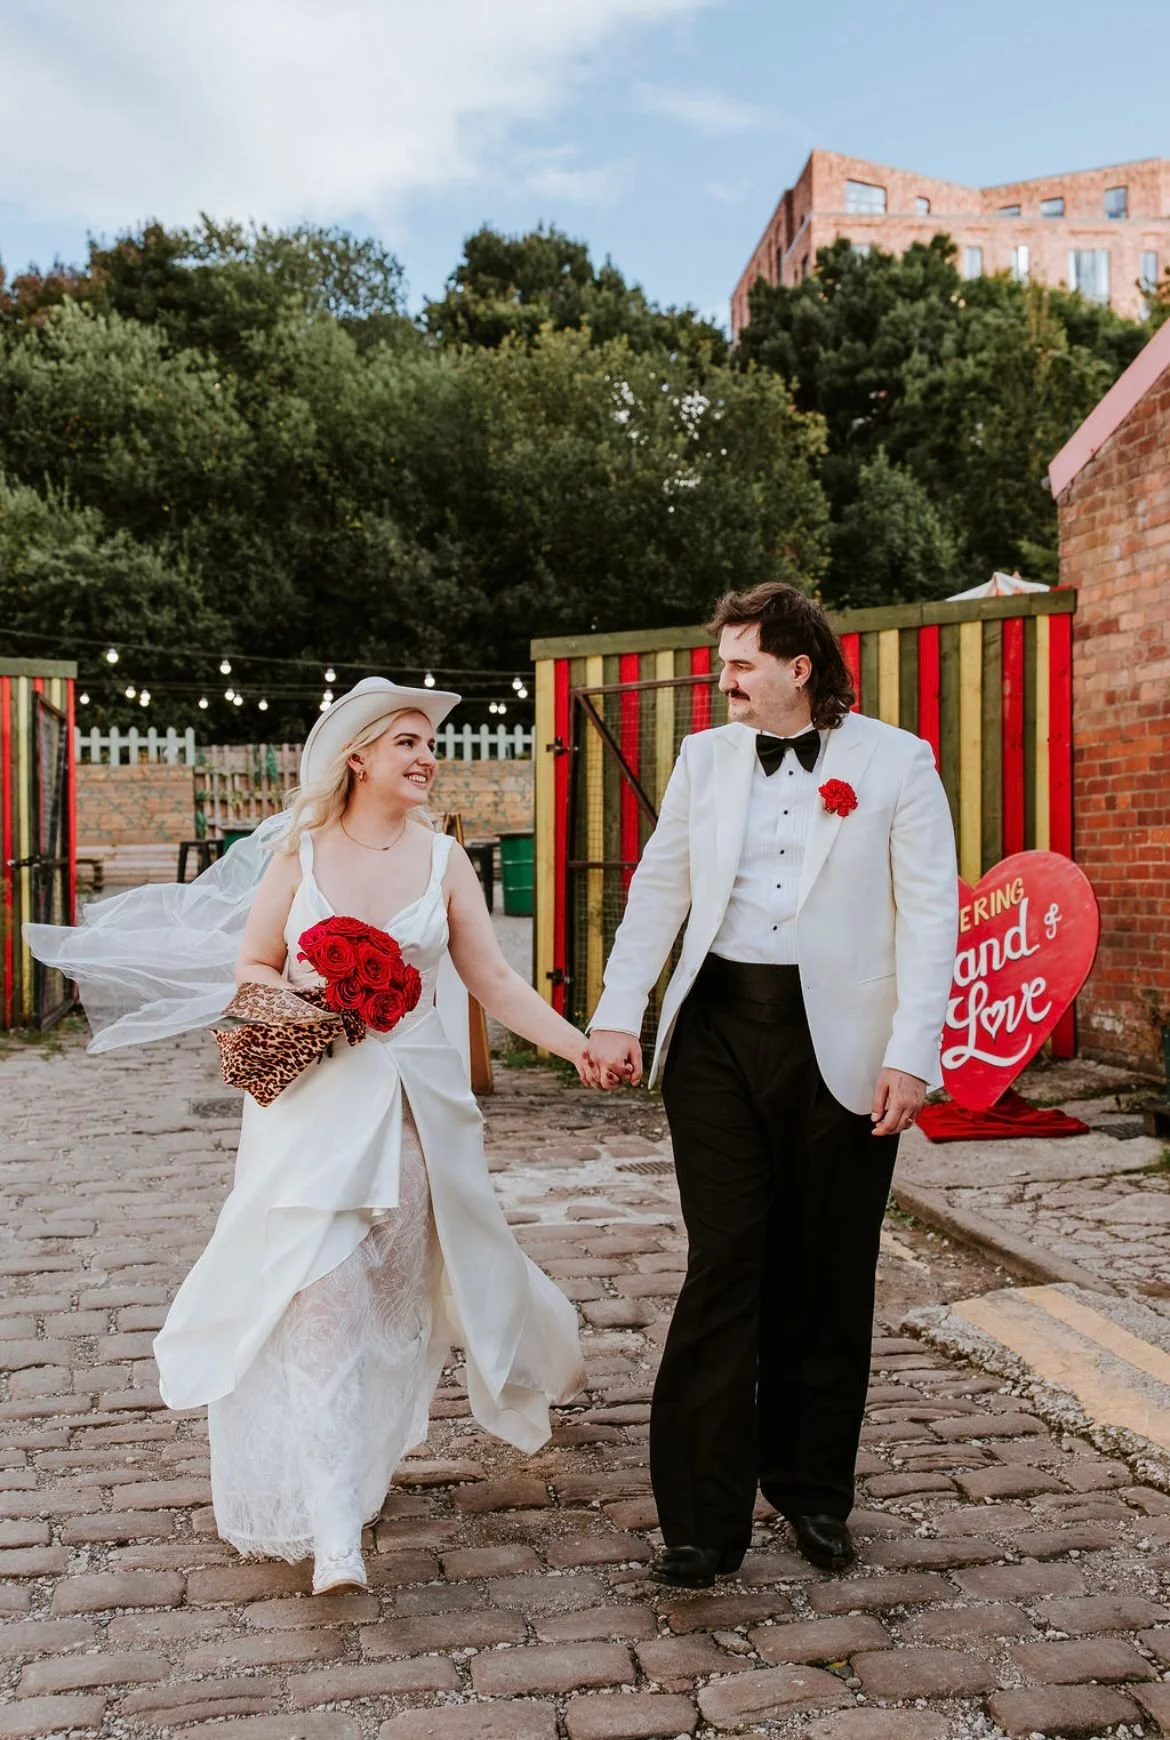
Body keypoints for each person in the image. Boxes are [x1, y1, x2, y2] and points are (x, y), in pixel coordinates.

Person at [28, 678, 594, 1594]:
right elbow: (250, 964)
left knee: (390, 1310)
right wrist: (311, 998)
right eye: (405, 741)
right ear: (359, 756)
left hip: (414, 1117)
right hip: (310, 1114)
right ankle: (335, 1533)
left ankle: (359, 1475)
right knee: (320, 1301)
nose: (424, 756)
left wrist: (575, 1047)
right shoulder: (300, 852)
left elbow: (493, 980)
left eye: (428, 743)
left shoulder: (446, 860)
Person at [588, 584, 958, 1586]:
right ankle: (700, 1523)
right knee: (726, 1266)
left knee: (828, 1274)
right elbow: (660, 888)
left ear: (800, 668)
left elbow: (932, 915)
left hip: (843, 1042)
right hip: (717, 1036)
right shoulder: (706, 759)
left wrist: (914, 1052)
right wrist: (620, 1011)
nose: (724, 679)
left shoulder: (898, 762)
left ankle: (813, 1493)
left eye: (740, 662)